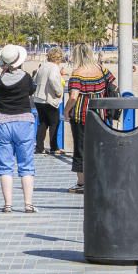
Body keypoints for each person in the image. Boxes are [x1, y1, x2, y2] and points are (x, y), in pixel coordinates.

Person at [0, 45, 37, 213]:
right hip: (24, 121)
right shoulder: (26, 77)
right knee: (26, 164)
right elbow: (31, 91)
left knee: (5, 165)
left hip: (1, 122)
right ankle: (28, 204)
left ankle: (8, 204)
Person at [64, 43, 116, 194]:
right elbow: (112, 84)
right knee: (98, 147)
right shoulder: (101, 69)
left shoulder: (77, 73)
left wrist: (66, 111)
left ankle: (82, 183)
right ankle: (99, 179)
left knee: (80, 148)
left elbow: (74, 96)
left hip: (81, 115)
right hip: (99, 114)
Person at [32, 47, 65, 154]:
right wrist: (59, 91)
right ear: (58, 58)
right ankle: (54, 147)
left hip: (38, 98)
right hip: (48, 99)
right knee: (54, 123)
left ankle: (39, 147)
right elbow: (52, 79)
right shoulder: (54, 67)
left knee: (43, 122)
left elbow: (35, 79)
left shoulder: (42, 65)